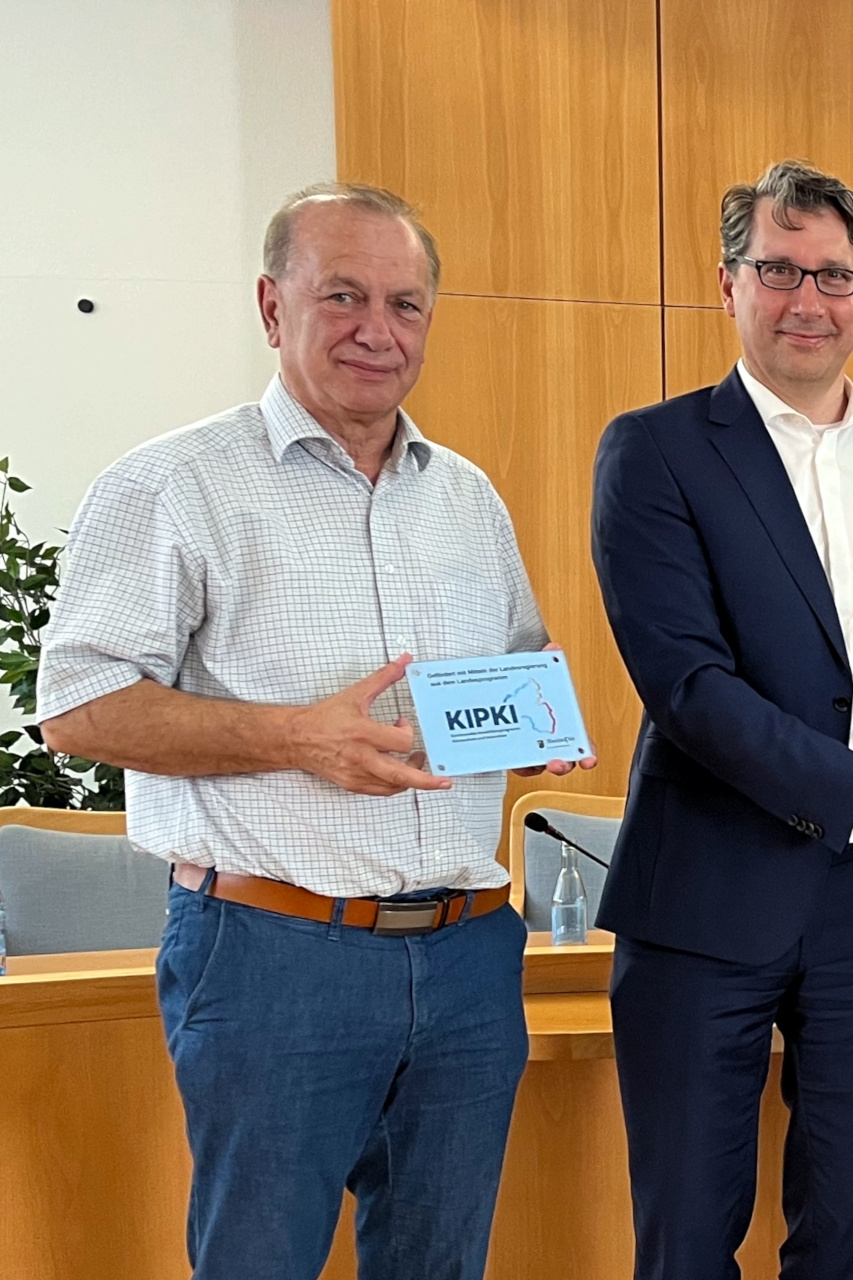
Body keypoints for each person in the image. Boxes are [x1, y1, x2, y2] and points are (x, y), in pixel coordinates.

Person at [37, 182, 590, 1279]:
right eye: (342, 295)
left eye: (404, 302)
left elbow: (516, 673)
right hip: (274, 953)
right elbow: (78, 706)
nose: (376, 330)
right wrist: (299, 737)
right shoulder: (174, 484)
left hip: (471, 953)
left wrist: (529, 726)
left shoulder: (468, 497)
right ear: (270, 303)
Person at [590, 159, 853, 1280]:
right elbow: (687, 685)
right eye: (777, 269)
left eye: (832, 274)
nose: (806, 299)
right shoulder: (656, 449)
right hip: (706, 895)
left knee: (850, 1227)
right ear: (728, 282)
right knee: (687, 1231)